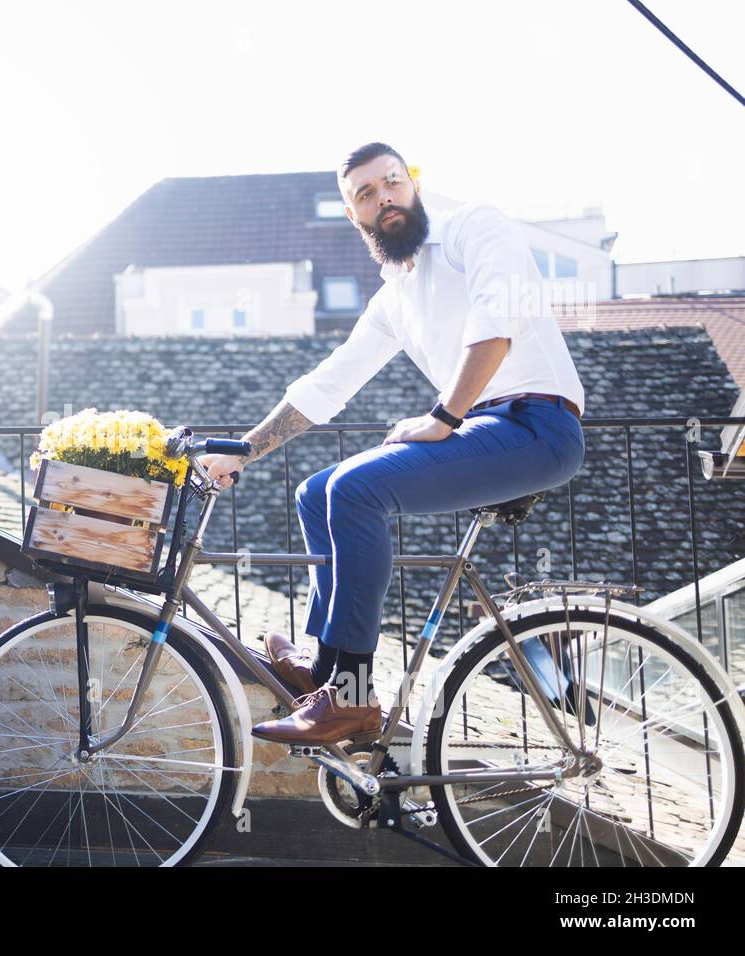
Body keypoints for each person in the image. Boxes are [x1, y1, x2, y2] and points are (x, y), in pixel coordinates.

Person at [198, 142, 586, 746]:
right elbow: (331, 382)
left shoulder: (472, 228)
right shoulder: (392, 299)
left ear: (414, 185)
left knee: (356, 491)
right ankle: (324, 673)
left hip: (540, 425)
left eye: (393, 183)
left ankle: (351, 698)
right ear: (354, 216)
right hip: (482, 427)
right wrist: (244, 450)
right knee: (315, 491)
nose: (385, 198)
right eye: (366, 194)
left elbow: (498, 320)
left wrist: (443, 416)